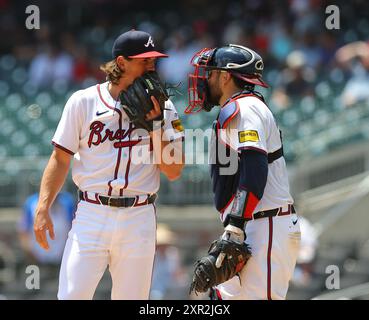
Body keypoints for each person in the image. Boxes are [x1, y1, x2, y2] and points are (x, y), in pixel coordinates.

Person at [33, 29, 185, 300]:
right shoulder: (83, 102)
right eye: (144, 60)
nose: (152, 66)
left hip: (139, 216)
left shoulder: (165, 108)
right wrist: (43, 206)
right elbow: (60, 158)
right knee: (71, 295)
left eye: (154, 60)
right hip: (92, 213)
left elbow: (173, 170)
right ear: (122, 62)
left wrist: (155, 126)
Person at [186, 44, 301, 300]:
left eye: (211, 73)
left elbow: (254, 170)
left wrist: (235, 227)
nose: (205, 79)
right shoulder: (241, 108)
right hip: (253, 224)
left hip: (265, 226)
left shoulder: (246, 108)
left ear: (226, 76)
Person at [18, 192, 75, 265]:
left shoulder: (67, 201)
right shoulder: (30, 202)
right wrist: (32, 255)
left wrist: (66, 254)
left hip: (62, 259)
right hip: (37, 260)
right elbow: (23, 232)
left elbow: (73, 229)